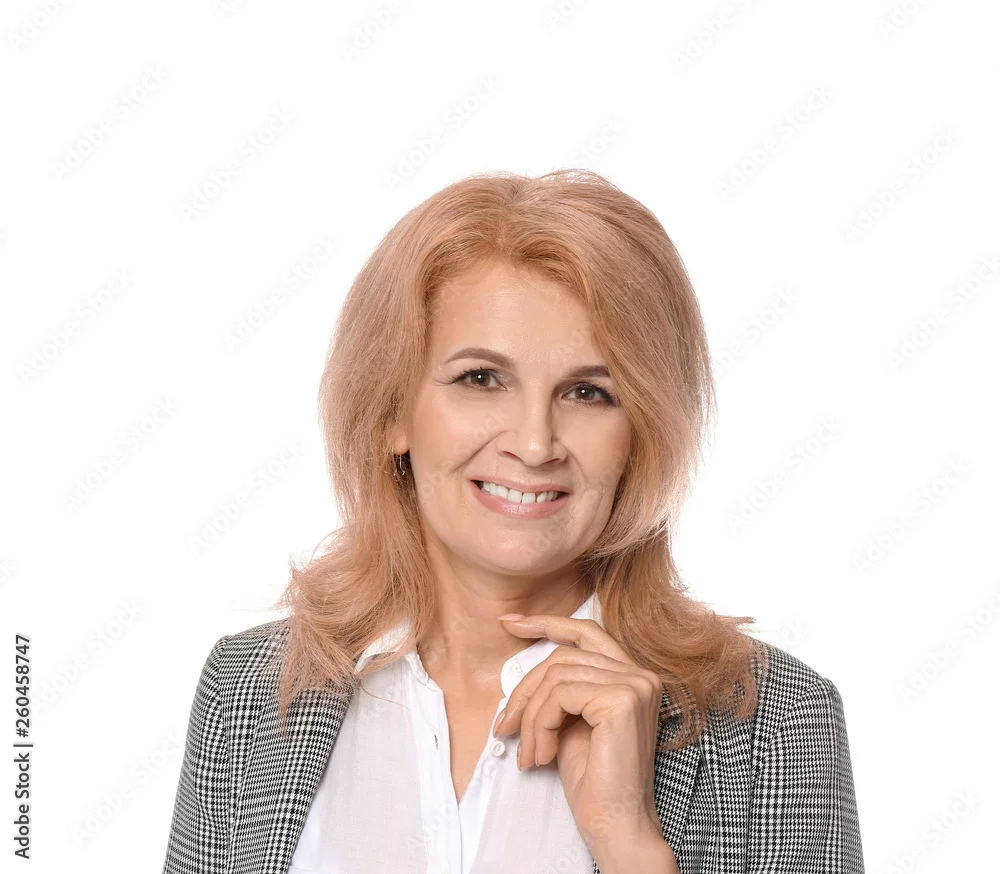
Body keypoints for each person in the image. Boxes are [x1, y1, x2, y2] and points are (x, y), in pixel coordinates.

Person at [162, 169, 864, 874]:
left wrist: (628, 841)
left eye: (588, 392)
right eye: (481, 379)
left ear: (641, 434)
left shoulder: (776, 726)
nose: (534, 444)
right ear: (393, 411)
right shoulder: (248, 693)